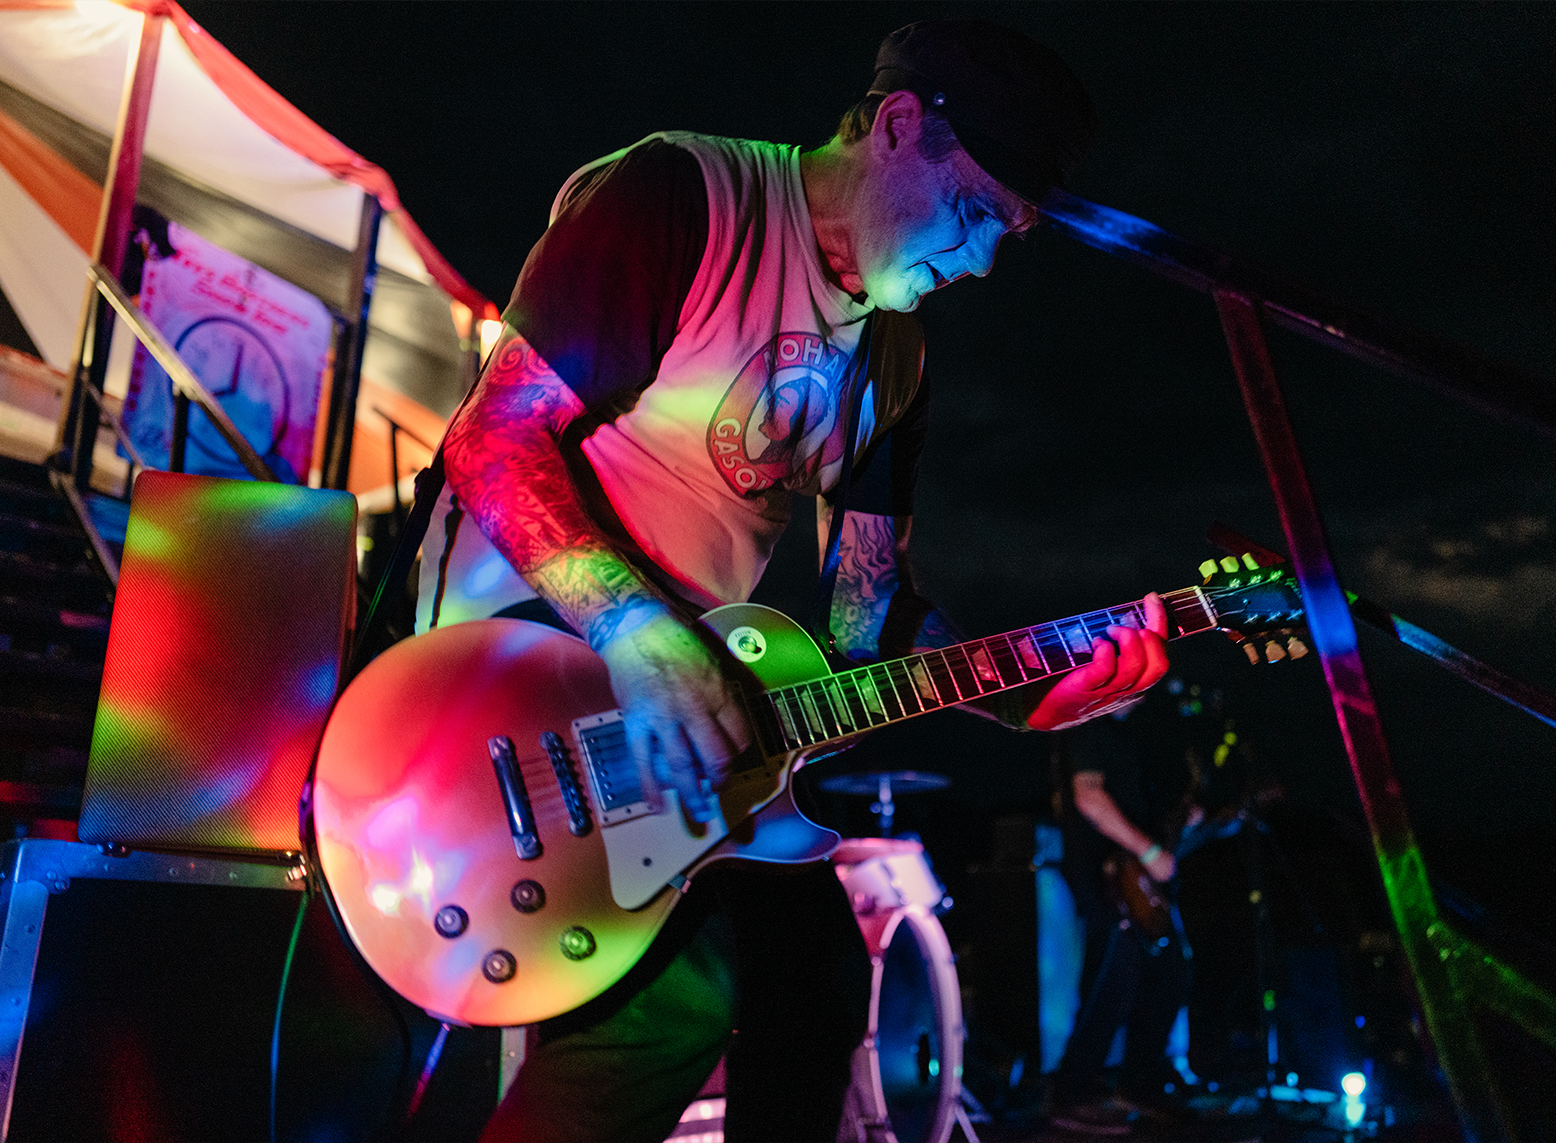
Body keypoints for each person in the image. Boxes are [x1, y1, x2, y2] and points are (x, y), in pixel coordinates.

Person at [419, 19, 1170, 1142]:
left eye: (1005, 237)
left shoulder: (897, 365)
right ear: (900, 128)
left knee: (816, 980)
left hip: (693, 725)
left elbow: (867, 622)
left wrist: (1029, 694)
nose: (977, 262)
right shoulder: (684, 196)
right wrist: (641, 631)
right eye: (973, 214)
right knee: (669, 1007)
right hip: (522, 686)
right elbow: (493, 443)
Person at [1050, 694, 1202, 1136]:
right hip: (1106, 876)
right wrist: (1150, 851)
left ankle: (1139, 1084)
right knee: (1110, 980)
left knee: (1164, 973)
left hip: (1127, 876)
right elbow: (1089, 797)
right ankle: (1074, 1092)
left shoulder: (1121, 735)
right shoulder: (1091, 728)